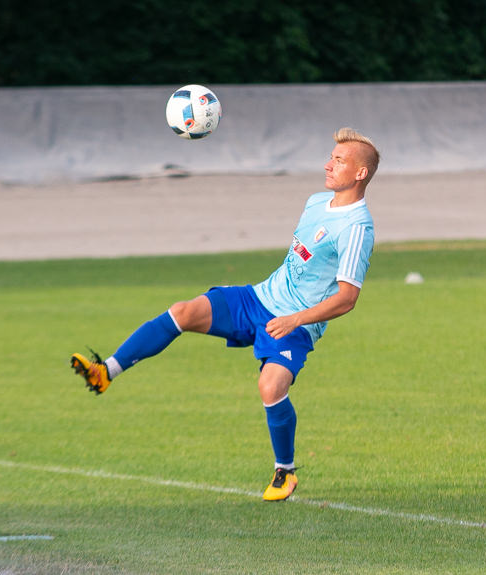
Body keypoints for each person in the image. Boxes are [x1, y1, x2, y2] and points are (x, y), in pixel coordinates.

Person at [70, 127, 379, 502]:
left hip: (296, 324)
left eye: (339, 161)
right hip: (258, 298)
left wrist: (295, 320)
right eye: (331, 157)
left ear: (360, 173)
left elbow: (347, 298)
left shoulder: (357, 228)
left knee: (271, 387)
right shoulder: (316, 201)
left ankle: (285, 471)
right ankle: (106, 372)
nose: (327, 164)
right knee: (182, 312)